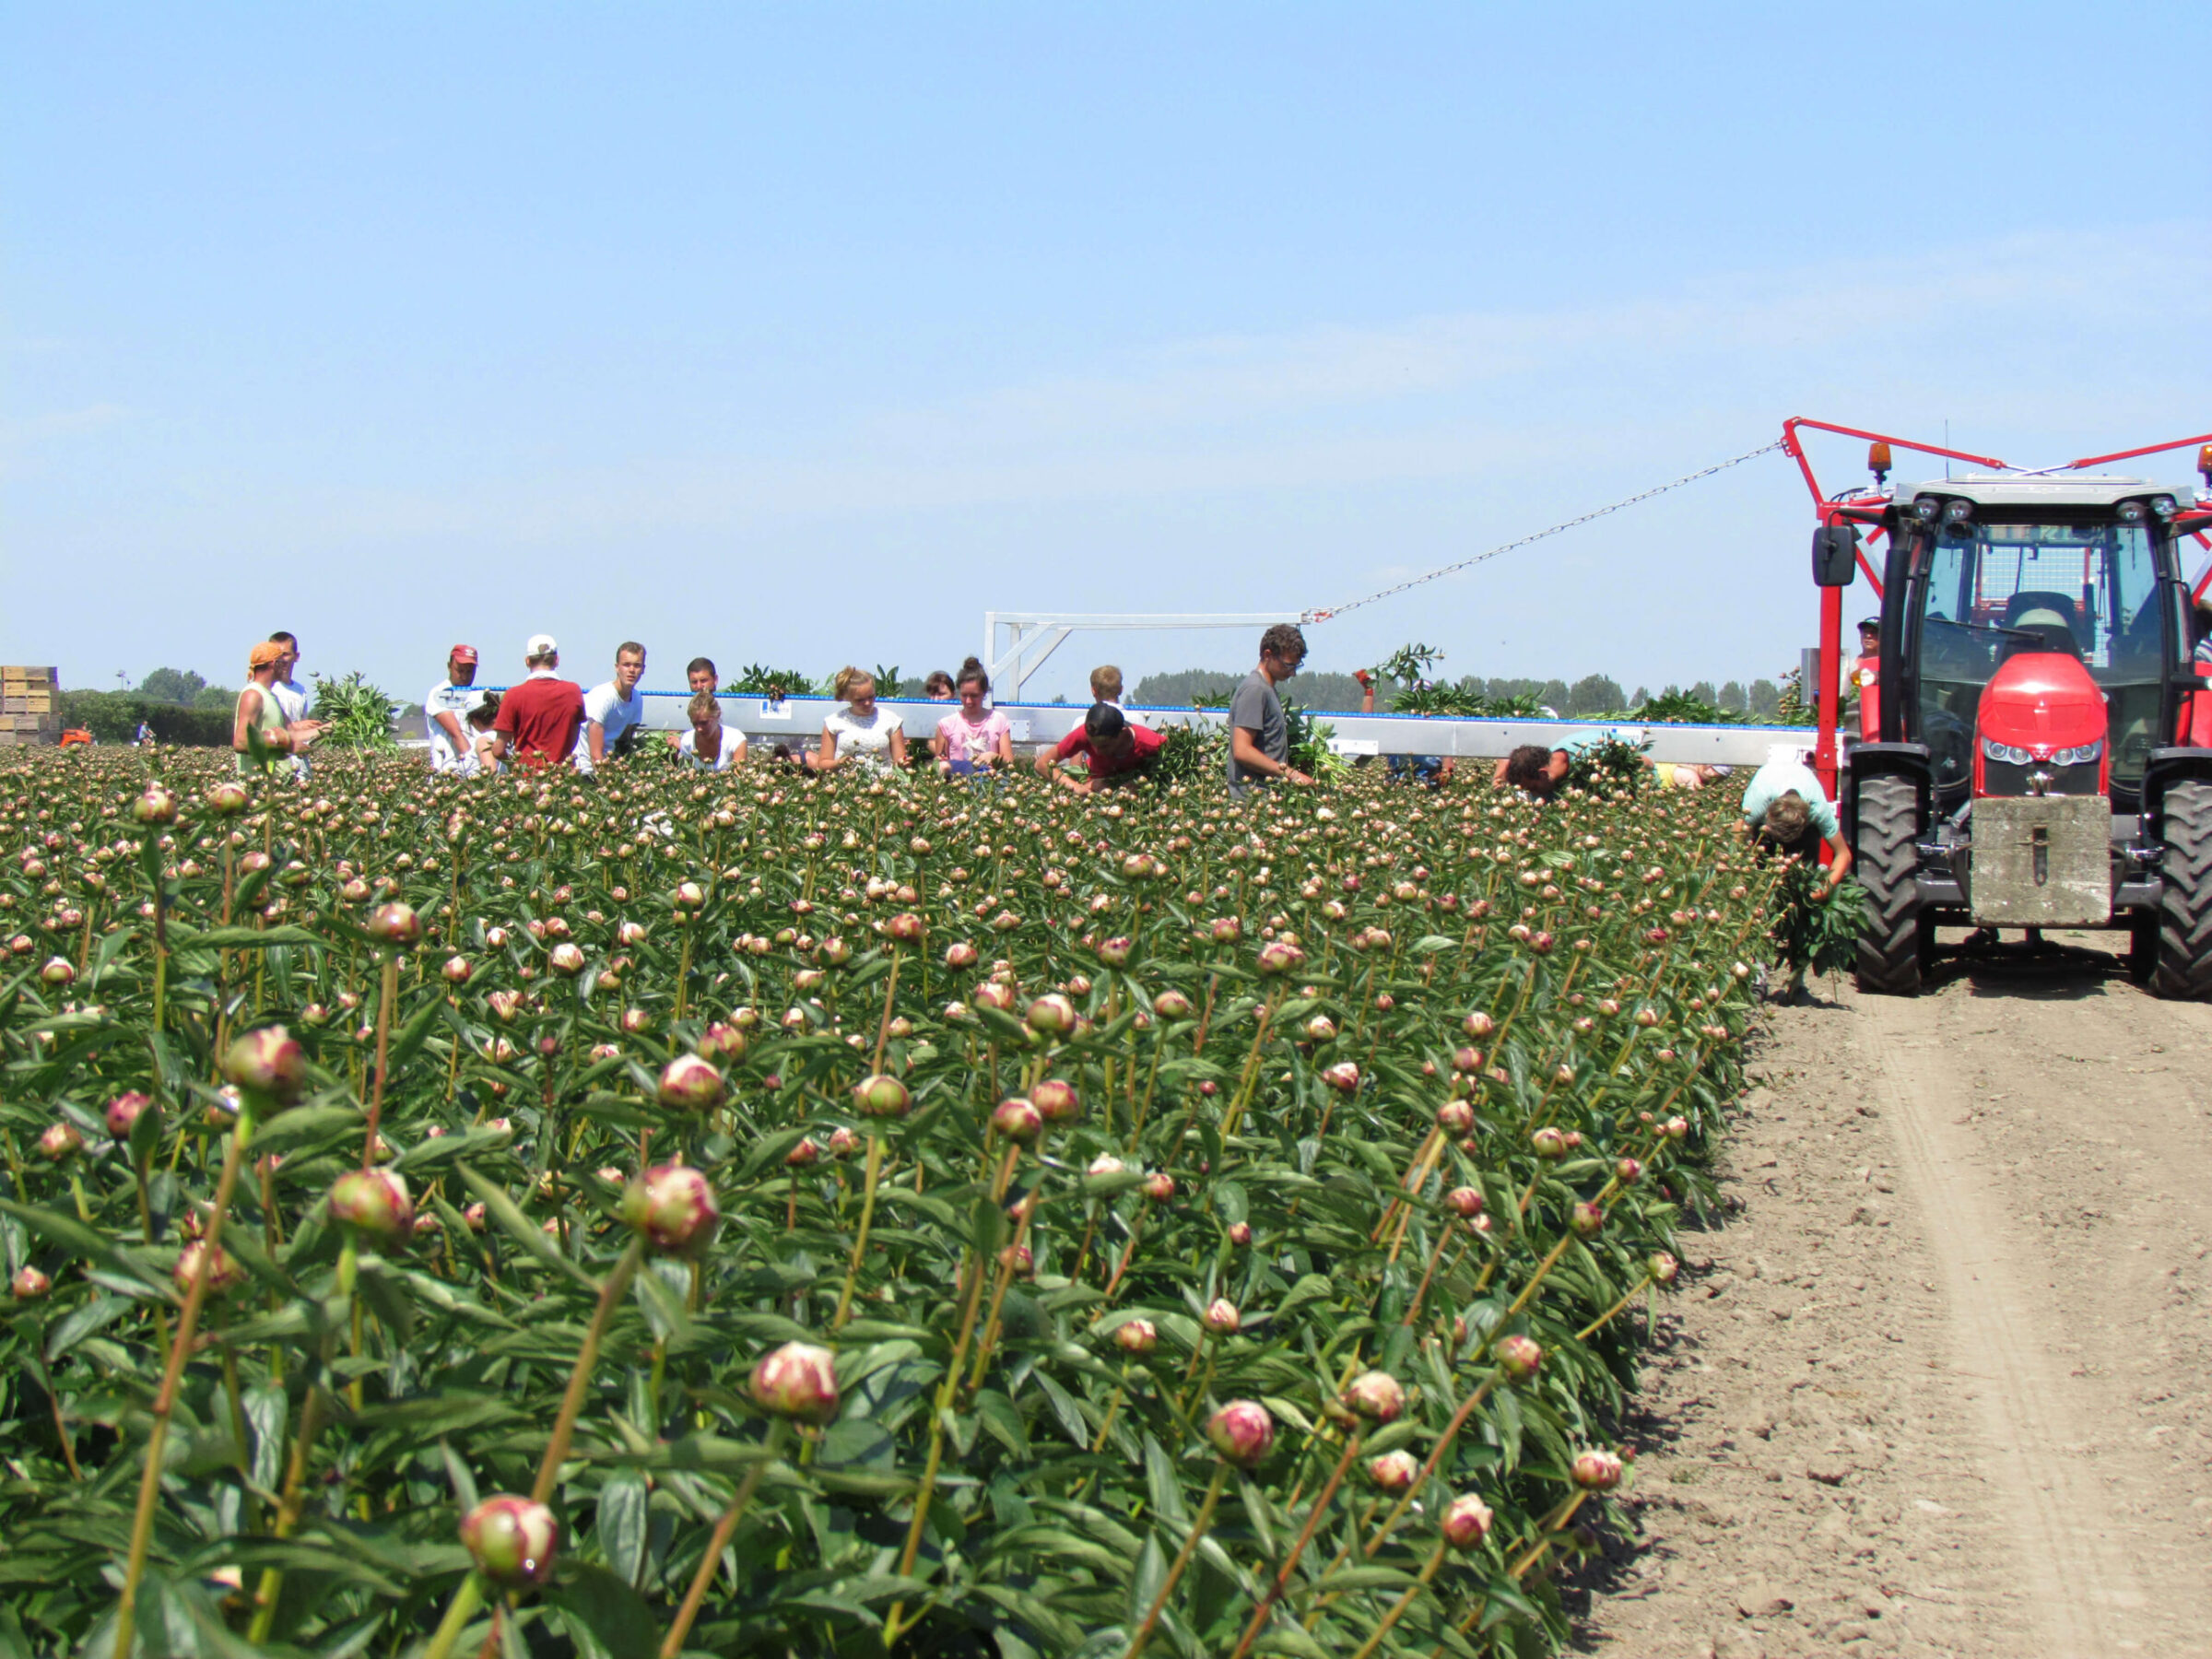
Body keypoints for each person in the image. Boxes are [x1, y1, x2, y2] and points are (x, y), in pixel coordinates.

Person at [1227, 624, 1312, 794]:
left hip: (1266, 799)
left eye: (1296, 666)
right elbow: (1242, 751)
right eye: (1288, 665)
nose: (1292, 673)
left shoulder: (1267, 690)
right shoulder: (1256, 690)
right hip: (1252, 801)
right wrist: (1292, 774)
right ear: (1268, 655)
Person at [490, 634, 586, 771]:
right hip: (563, 778)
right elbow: (572, 740)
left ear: (527, 661)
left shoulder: (514, 695)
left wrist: (517, 766)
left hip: (527, 780)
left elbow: (498, 750)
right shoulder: (573, 692)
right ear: (556, 660)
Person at [232, 641, 320, 776]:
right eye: (281, 660)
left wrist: (333, 726)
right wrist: (288, 747)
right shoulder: (253, 695)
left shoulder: (271, 697)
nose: (285, 665)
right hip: (258, 786)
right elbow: (241, 742)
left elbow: (292, 732)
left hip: (277, 783)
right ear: (274, 664)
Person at [1356, 667, 1453, 786]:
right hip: (1398, 786)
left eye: (1425, 697)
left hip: (1429, 788)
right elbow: (1368, 728)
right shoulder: (1398, 726)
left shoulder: (1439, 730)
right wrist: (1369, 692)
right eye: (1416, 697)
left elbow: (1448, 770)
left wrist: (1441, 777)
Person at [1041, 700, 1163, 794]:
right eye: (1091, 744)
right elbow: (1042, 764)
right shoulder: (1084, 733)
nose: (1096, 750)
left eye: (1104, 745)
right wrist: (1076, 787)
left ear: (1123, 734)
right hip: (1094, 792)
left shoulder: (1151, 742)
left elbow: (1173, 766)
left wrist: (1142, 783)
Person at [812, 666, 908, 773]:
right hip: (847, 784)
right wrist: (839, 763)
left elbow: (899, 761)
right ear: (847, 698)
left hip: (884, 783)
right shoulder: (834, 722)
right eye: (860, 700)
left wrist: (903, 764)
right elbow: (822, 763)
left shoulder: (891, 720)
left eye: (871, 697)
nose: (867, 703)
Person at [576, 641, 648, 771]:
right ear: (617, 667)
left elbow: (625, 743)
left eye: (637, 665)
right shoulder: (603, 697)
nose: (631, 670)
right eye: (626, 665)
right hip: (586, 769)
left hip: (611, 765)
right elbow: (595, 755)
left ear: (643, 669)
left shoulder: (637, 699)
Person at [933, 659, 1014, 774]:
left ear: (984, 693)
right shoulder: (946, 725)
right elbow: (939, 765)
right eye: (964, 695)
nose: (969, 701)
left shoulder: (998, 720)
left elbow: (1009, 763)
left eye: (974, 696)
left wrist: (994, 757)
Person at [266, 631, 322, 778]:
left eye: (285, 654)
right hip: (279, 767)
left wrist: (319, 732)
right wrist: (297, 726)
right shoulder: (268, 689)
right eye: (276, 655)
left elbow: (302, 732)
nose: (281, 660)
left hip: (300, 765)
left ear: (296, 657)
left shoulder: (300, 690)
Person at [425, 645, 484, 774]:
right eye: (460, 671)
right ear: (449, 667)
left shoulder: (476, 695)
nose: (464, 676)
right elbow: (456, 733)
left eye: (469, 672)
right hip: (449, 770)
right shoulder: (440, 694)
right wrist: (472, 767)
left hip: (474, 768)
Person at [676, 689, 747, 771]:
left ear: (718, 715)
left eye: (704, 723)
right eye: (695, 723)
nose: (699, 729)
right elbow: (690, 773)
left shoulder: (735, 739)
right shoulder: (687, 741)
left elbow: (739, 777)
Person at [465, 694, 503, 775]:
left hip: (487, 788)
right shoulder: (506, 737)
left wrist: (493, 788)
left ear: (475, 721)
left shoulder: (484, 741)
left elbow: (491, 775)